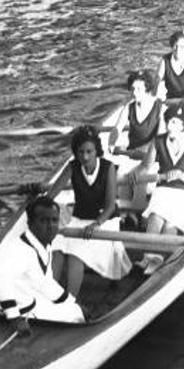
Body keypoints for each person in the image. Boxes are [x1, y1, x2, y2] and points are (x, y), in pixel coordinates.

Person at [0, 196, 85, 324]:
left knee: (74, 308)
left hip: (24, 302)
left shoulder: (43, 244)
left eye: (54, 220)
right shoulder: (22, 251)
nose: (50, 226)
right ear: (30, 223)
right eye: (44, 221)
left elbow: (45, 282)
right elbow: (0, 279)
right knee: (76, 316)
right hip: (8, 313)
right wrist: (15, 319)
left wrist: (70, 301)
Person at [50, 125, 132, 297]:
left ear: (97, 151)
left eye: (89, 152)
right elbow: (51, 194)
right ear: (76, 152)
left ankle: (70, 301)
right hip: (80, 219)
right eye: (81, 152)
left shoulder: (108, 167)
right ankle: (51, 293)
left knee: (75, 255)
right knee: (56, 248)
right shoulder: (72, 167)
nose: (85, 157)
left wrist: (96, 224)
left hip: (105, 219)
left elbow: (110, 205)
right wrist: (38, 198)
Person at [136, 106, 184, 275]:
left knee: (171, 222)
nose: (170, 126)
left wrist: (182, 175)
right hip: (165, 191)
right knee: (155, 217)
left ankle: (158, 260)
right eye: (169, 121)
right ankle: (148, 257)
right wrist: (134, 176)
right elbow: (145, 166)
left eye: (175, 122)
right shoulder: (159, 141)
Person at [109, 69, 165, 160]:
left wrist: (142, 150)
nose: (134, 93)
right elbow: (117, 128)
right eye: (132, 89)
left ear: (147, 89)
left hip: (153, 156)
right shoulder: (128, 107)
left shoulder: (160, 107)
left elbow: (160, 136)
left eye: (139, 89)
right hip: (133, 154)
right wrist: (111, 143)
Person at [155, 30, 184, 106]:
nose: (178, 50)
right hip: (170, 101)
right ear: (171, 45)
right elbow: (156, 81)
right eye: (175, 46)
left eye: (181, 46)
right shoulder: (165, 61)